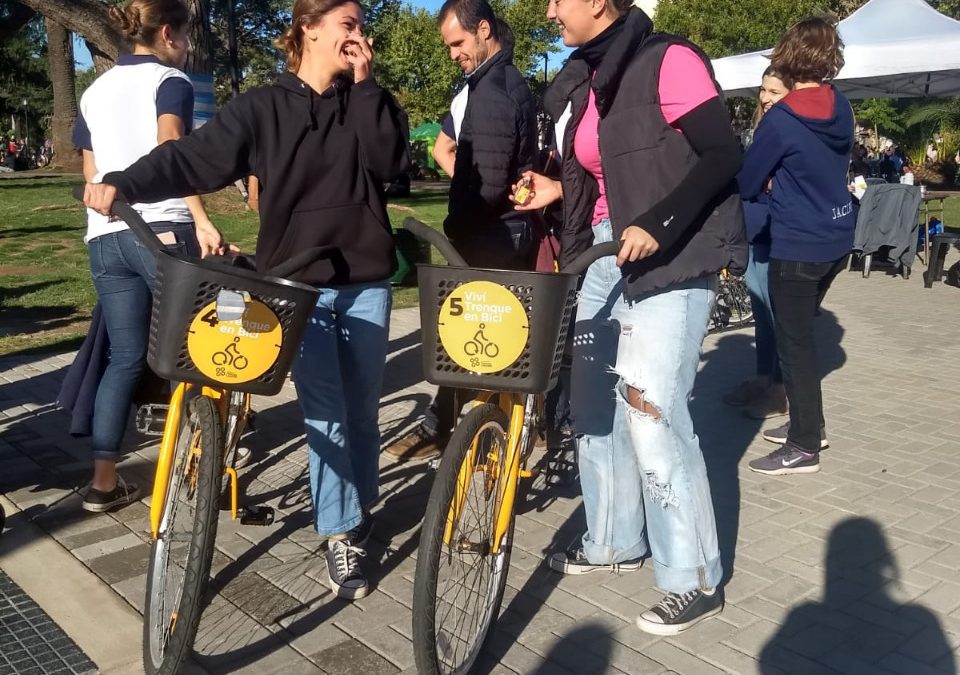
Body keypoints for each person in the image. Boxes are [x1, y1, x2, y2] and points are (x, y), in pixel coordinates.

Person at [84, 0, 410, 600]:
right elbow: (193, 158)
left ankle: (358, 515)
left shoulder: (371, 102)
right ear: (309, 29)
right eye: (348, 23)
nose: (358, 35)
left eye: (361, 26)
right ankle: (338, 534)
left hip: (366, 283)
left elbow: (392, 164)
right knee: (327, 413)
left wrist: (366, 87)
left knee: (362, 413)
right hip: (294, 286)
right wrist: (122, 182)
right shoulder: (263, 108)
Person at [513, 1, 745, 634]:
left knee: (651, 409)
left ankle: (693, 576)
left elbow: (723, 155)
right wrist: (557, 190)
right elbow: (609, 169)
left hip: (671, 251)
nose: (551, 8)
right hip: (604, 252)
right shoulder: (592, 78)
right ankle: (613, 540)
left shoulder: (670, 60)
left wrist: (660, 222)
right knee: (593, 405)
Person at [72, 0, 227, 514]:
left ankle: (103, 482)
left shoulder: (94, 92)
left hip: (104, 235)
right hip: (161, 228)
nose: (186, 47)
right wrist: (201, 219)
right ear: (168, 34)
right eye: (184, 37)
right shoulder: (170, 82)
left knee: (124, 357)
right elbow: (172, 149)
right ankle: (197, 465)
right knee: (196, 349)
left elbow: (90, 171)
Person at [384, 0, 537, 461]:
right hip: (498, 237)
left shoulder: (492, 92)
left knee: (479, 347)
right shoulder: (494, 83)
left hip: (492, 241)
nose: (452, 53)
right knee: (475, 346)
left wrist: (456, 225)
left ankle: (486, 438)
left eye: (457, 43)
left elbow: (488, 189)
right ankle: (469, 429)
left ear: (483, 30)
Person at [739, 17, 854, 475]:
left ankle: (804, 445)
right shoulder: (841, 105)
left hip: (798, 243)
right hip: (838, 238)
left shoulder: (781, 118)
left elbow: (748, 181)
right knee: (800, 338)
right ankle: (810, 426)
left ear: (788, 54)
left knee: (795, 346)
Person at [724, 66, 792, 420]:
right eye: (763, 90)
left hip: (774, 232)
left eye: (774, 92)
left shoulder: (790, 130)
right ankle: (764, 378)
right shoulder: (761, 128)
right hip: (752, 230)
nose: (765, 98)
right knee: (761, 314)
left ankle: (781, 389)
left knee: (776, 313)